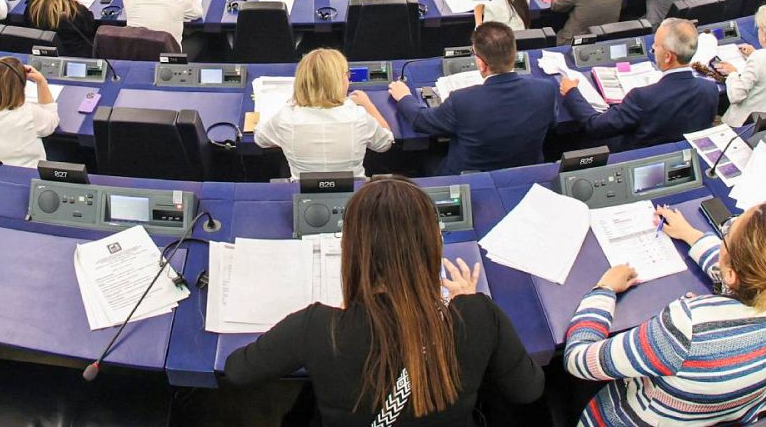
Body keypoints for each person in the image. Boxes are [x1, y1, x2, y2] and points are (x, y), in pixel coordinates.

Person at [224, 177, 543, 425]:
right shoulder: (477, 314)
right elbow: (528, 389)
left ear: (354, 250)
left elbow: (238, 370)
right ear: (431, 245)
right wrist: (467, 302)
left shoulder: (315, 327)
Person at [565, 202, 766, 426]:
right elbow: (743, 275)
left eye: (728, 232)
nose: (726, 230)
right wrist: (690, 234)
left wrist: (604, 289)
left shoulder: (688, 327)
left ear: (732, 274)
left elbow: (579, 361)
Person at [389, 23, 558, 174]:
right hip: (525, 171)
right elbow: (552, 123)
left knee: (421, 158)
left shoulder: (462, 101)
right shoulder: (546, 90)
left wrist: (404, 97)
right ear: (514, 55)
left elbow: (421, 121)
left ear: (481, 63)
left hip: (468, 177)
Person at [560, 18, 720, 150]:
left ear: (668, 57)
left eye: (656, 46)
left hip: (632, 153)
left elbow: (595, 125)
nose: (653, 48)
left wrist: (572, 92)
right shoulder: (710, 88)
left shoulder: (643, 97)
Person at [254, 49, 394, 179]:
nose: (348, 79)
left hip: (302, 192)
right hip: (353, 192)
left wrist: (287, 138)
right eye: (347, 74)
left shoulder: (284, 118)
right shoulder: (359, 116)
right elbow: (385, 143)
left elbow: (261, 139)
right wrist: (369, 106)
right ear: (338, 82)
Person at [714, 4, 766, 127]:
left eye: (759, 28)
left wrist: (732, 73)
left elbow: (736, 96)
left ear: (765, 33)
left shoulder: (759, 58)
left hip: (741, 124)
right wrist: (754, 53)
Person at [26, 0, 98, 58]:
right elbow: (90, 28)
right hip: (76, 57)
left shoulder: (32, 6)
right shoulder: (76, 11)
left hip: (45, 56)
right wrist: (78, 4)